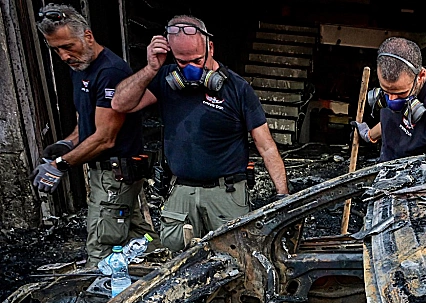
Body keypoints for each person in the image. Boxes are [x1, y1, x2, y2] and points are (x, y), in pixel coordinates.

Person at [111, 15, 288, 251]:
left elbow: (266, 147)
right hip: (181, 192)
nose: (191, 69)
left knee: (235, 257)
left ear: (210, 48)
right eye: (182, 62)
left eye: (196, 60)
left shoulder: (238, 89)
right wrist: (151, 68)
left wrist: (282, 196)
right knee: (178, 259)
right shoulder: (165, 80)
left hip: (226, 194)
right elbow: (120, 104)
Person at [33, 3, 157, 266]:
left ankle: (105, 288)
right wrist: (68, 143)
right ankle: (163, 268)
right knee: (140, 238)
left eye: (68, 46)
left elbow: (105, 137)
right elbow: (87, 122)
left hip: (117, 175)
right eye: (56, 49)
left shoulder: (109, 72)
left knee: (103, 247)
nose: (64, 56)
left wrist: (60, 165)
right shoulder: (80, 68)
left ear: (88, 36)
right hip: (106, 175)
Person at [352, 37, 426, 162]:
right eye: (386, 92)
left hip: (416, 173)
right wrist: (369, 135)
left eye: (401, 93)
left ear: (421, 75)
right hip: (385, 167)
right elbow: (394, 122)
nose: (391, 100)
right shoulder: (398, 87)